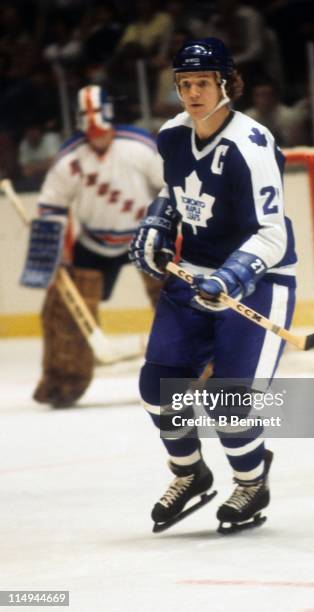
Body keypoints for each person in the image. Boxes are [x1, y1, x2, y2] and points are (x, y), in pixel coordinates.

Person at [129, 38, 297, 533]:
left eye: (202, 82)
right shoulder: (173, 135)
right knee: (157, 388)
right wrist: (156, 223)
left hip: (259, 279)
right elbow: (174, 191)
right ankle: (190, 474)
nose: (193, 93)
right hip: (193, 277)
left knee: (229, 400)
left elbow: (272, 232)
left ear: (226, 84)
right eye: (184, 84)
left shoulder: (253, 145)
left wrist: (234, 274)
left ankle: (250, 482)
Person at [32, 84, 164, 408]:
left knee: (180, 301)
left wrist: (171, 233)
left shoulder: (140, 147)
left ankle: (199, 372)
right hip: (94, 240)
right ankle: (63, 380)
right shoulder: (69, 158)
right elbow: (51, 207)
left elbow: (170, 188)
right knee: (65, 308)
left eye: (102, 131)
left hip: (145, 236)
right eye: (91, 131)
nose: (97, 138)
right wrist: (57, 256)